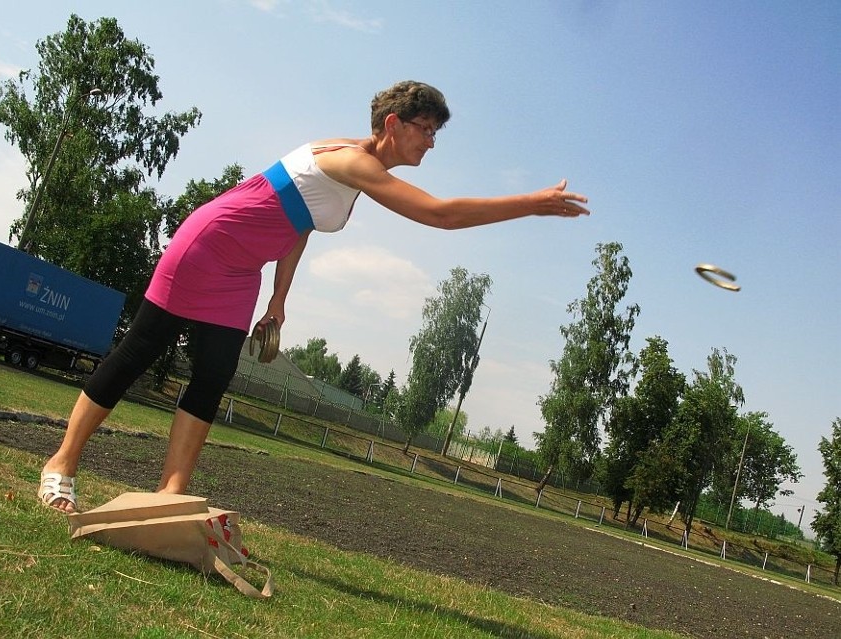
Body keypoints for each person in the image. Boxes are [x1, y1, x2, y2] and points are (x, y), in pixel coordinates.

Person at [38, 80, 589, 514]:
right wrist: (530, 203)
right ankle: (60, 466)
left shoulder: (356, 170)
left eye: (436, 133)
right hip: (209, 244)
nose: (431, 142)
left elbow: (298, 223)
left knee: (212, 374)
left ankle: (170, 492)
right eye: (425, 129)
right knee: (139, 351)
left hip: (242, 271)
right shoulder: (354, 161)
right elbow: (438, 216)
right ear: (392, 124)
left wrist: (279, 298)